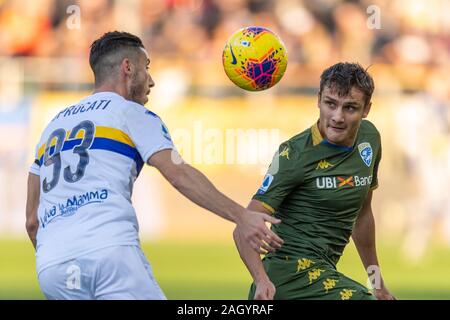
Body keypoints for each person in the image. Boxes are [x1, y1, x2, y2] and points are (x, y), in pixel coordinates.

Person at [25, 31, 283, 300]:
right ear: (128, 67)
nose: (152, 81)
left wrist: (57, 255)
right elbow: (178, 174)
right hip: (109, 254)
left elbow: (32, 221)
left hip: (53, 266)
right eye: (146, 68)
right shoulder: (130, 112)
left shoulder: (52, 127)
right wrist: (241, 216)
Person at [233, 62, 395, 300]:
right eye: (331, 104)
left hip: (323, 273)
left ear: (366, 109)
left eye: (350, 108)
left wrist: (377, 284)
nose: (337, 117)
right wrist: (261, 281)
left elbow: (362, 216)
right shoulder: (294, 154)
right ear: (318, 100)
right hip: (286, 278)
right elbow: (242, 228)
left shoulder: (370, 139)